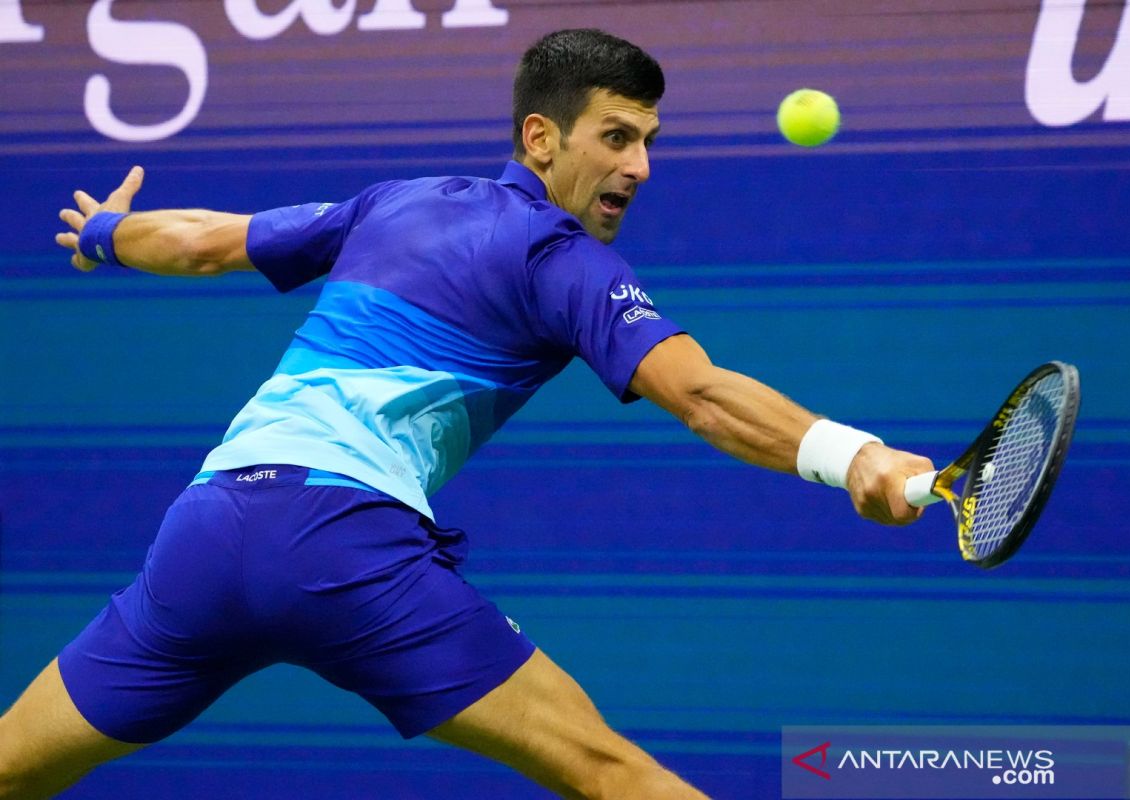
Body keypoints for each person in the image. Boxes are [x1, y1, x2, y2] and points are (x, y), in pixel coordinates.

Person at [0, 28, 933, 800]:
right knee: (614, 777)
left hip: (204, 536)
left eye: (649, 140)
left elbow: (206, 243)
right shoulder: (563, 260)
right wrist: (853, 457)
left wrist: (104, 234)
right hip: (338, 544)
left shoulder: (393, 202)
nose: (640, 166)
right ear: (541, 138)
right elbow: (700, 393)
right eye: (615, 137)